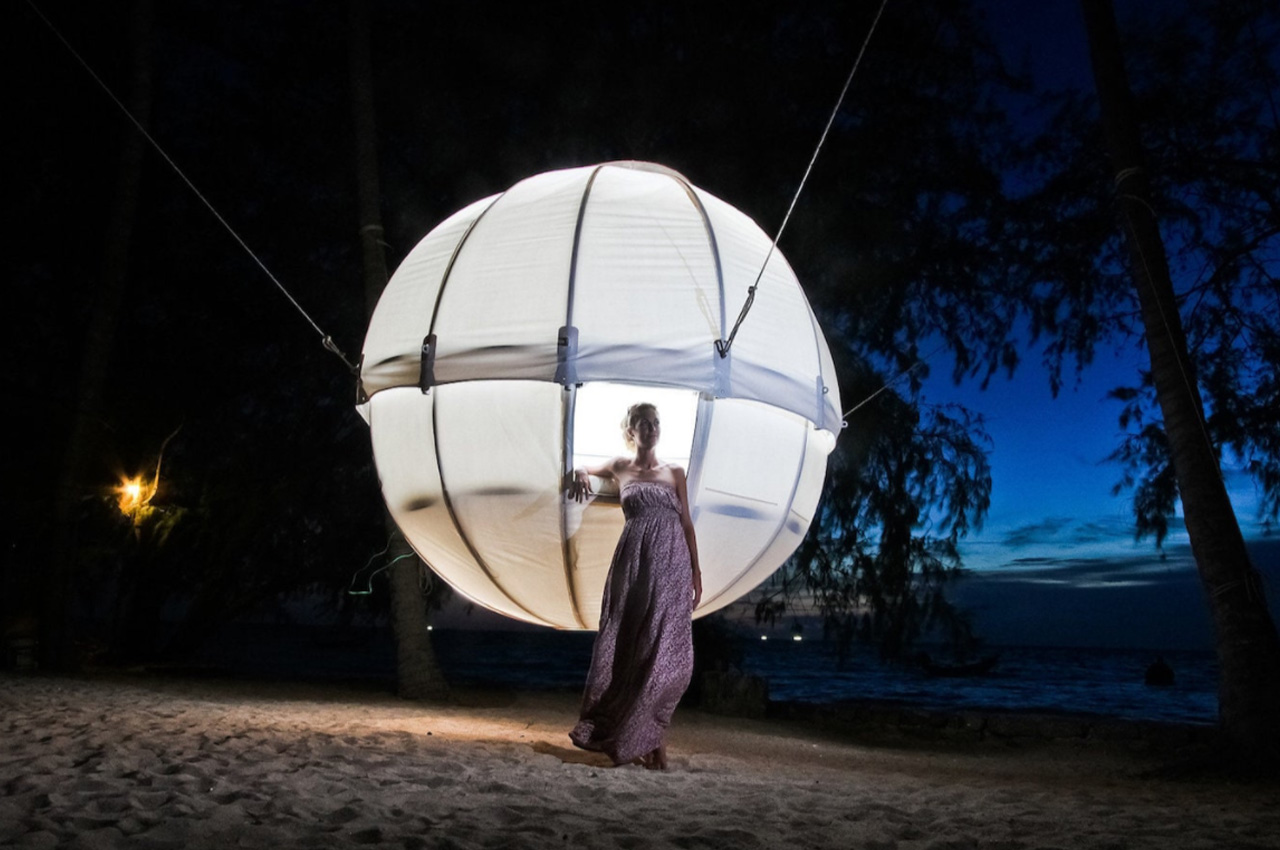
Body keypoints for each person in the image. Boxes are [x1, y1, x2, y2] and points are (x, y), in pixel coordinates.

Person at [566, 402, 702, 770]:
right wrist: (580, 472)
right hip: (634, 563)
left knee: (668, 655)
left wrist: (696, 573)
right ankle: (646, 741)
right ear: (631, 430)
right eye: (644, 423)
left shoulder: (675, 471)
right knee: (632, 649)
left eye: (656, 422)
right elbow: (584, 467)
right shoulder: (619, 466)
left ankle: (653, 737)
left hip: (672, 563)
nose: (651, 428)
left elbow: (687, 524)